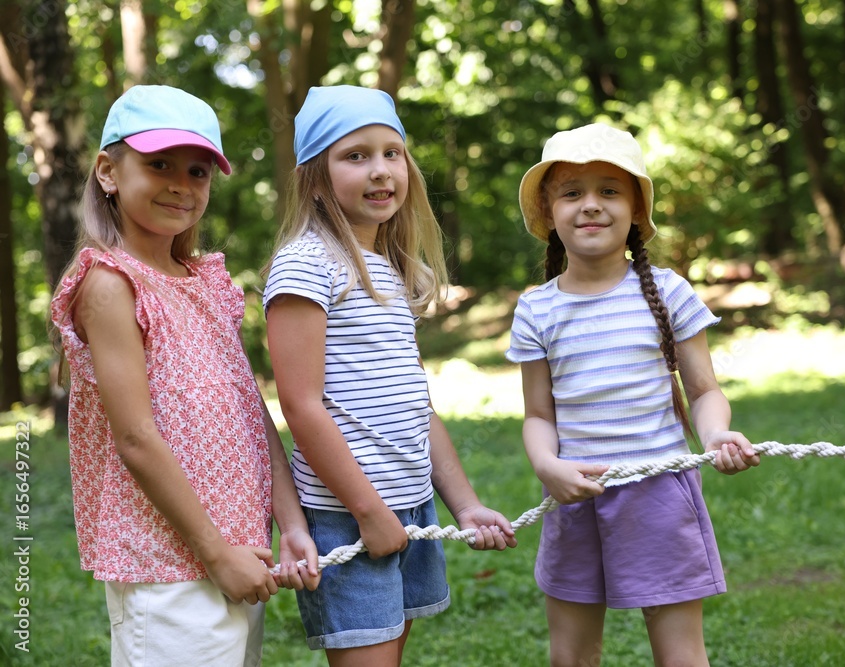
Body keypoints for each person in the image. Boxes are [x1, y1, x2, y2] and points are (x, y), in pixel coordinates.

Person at [50, 84, 320, 667]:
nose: (180, 183)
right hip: (166, 566)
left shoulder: (205, 283)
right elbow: (135, 438)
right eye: (159, 164)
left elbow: (252, 414)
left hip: (242, 549)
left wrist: (290, 521)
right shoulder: (109, 283)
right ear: (108, 171)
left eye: (198, 171)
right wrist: (215, 553)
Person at [262, 85, 517, 666]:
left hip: (411, 505)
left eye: (391, 153)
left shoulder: (391, 271)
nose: (380, 171)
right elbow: (301, 406)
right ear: (317, 177)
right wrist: (370, 514)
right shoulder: (306, 264)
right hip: (348, 513)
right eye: (355, 156)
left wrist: (466, 506)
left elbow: (415, 406)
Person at [506, 122, 760, 667]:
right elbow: (536, 414)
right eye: (572, 193)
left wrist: (716, 434)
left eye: (609, 191)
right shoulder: (536, 309)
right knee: (570, 656)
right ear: (549, 212)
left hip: (659, 493)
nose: (591, 205)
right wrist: (547, 466)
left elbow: (704, 390)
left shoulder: (668, 292)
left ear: (637, 212)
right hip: (576, 495)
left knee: (680, 654)